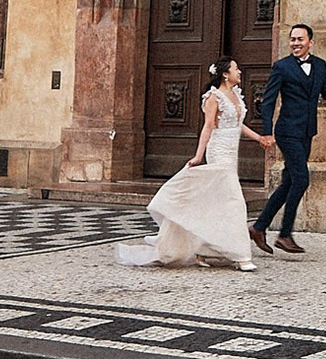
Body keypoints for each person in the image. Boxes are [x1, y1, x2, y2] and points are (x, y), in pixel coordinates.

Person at [115, 58, 271, 271]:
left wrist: (259, 138)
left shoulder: (236, 95)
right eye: (236, 68)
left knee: (214, 202)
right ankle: (241, 255)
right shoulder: (213, 97)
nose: (240, 71)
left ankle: (202, 249)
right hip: (219, 151)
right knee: (234, 200)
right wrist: (198, 157)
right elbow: (208, 127)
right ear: (225, 74)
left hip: (231, 152)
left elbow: (238, 124)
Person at [250, 23, 326, 256]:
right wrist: (267, 131)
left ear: (310, 42)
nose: (295, 43)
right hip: (287, 131)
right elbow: (268, 101)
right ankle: (285, 234)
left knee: (289, 182)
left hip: (307, 131)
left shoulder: (320, 65)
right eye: (292, 39)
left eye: (300, 39)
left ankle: (259, 227)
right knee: (301, 179)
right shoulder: (281, 67)